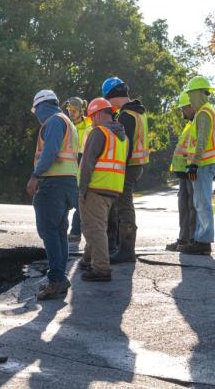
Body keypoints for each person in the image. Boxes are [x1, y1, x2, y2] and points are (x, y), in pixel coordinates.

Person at [26, 90, 78, 300]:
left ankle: (56, 279)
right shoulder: (67, 122)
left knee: (49, 230)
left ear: (41, 106)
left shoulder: (54, 122)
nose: (36, 114)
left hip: (53, 183)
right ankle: (59, 277)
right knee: (58, 231)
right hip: (66, 183)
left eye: (36, 110)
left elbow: (50, 151)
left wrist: (35, 176)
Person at [78, 98, 128, 281]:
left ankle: (101, 269)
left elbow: (87, 163)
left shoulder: (99, 133)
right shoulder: (122, 136)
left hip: (95, 187)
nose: (91, 121)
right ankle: (88, 259)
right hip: (113, 188)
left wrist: (82, 189)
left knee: (94, 227)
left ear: (98, 114)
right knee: (96, 225)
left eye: (92, 117)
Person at [102, 77, 149, 264]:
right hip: (137, 164)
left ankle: (126, 250)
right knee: (122, 204)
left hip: (128, 166)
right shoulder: (139, 112)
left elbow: (125, 146)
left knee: (124, 205)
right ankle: (120, 246)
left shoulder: (126, 115)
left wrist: (118, 167)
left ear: (112, 96)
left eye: (107, 100)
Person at [177, 76, 215, 255]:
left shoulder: (204, 113)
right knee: (200, 202)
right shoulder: (208, 111)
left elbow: (201, 141)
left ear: (196, 94)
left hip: (202, 165)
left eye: (190, 94)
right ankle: (200, 238)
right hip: (205, 164)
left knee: (202, 204)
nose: (190, 98)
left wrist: (193, 164)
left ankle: (203, 241)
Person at [166, 91, 197, 251]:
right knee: (184, 206)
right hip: (184, 173)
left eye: (184, 108)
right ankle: (183, 239)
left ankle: (192, 240)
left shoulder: (197, 123)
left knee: (192, 206)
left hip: (191, 171)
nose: (183, 112)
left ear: (191, 106)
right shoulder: (189, 125)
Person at [62, 96, 91, 252]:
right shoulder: (66, 125)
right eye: (69, 110)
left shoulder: (89, 125)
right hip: (69, 167)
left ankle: (75, 233)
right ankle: (67, 232)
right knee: (66, 202)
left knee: (81, 202)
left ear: (81, 111)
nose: (71, 113)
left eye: (74, 111)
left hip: (83, 166)